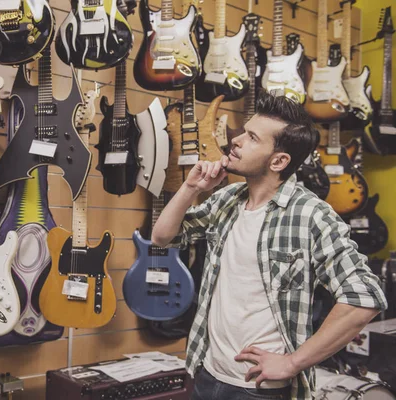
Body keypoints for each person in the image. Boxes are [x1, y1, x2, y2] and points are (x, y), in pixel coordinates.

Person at [151, 91, 388, 400]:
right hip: (206, 372)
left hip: (259, 389)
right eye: (242, 132)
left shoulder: (311, 215)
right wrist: (191, 187)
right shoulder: (227, 200)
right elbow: (161, 237)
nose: (235, 141)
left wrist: (293, 362)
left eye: (251, 138)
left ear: (279, 160)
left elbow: (364, 298)